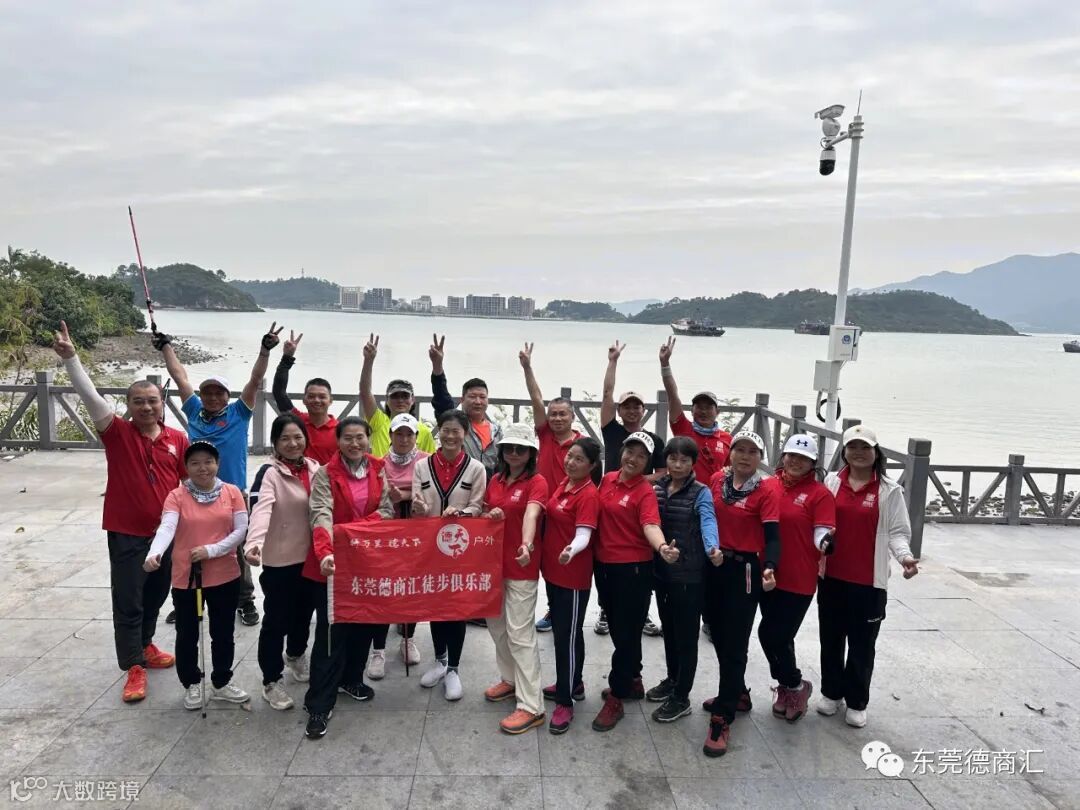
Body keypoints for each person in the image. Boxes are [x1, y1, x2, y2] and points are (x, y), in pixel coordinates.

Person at [51, 321, 185, 703]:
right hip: (126, 532)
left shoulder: (177, 439)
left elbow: (186, 486)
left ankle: (146, 644)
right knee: (128, 599)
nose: (146, 406)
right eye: (138, 401)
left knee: (156, 594)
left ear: (162, 404)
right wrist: (71, 359)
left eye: (152, 400)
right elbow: (90, 395)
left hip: (165, 534)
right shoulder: (117, 433)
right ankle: (133, 666)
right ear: (129, 406)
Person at [155, 321, 283, 626]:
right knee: (188, 543)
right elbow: (180, 376)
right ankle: (187, 596)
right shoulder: (194, 410)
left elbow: (255, 379)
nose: (212, 397)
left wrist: (265, 350)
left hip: (232, 492)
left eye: (219, 392)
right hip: (193, 492)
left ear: (227, 396)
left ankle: (245, 600)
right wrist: (166, 346)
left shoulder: (239, 412)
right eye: (208, 392)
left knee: (236, 547)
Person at [819, 424, 919, 729]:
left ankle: (857, 701)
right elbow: (819, 523)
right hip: (831, 577)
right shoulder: (831, 481)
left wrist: (904, 557)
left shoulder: (889, 490)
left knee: (862, 644)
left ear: (876, 453)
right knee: (831, 639)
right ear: (844, 451)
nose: (859, 453)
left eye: (865, 447)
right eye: (853, 447)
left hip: (868, 582)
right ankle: (831, 692)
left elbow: (898, 532)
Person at [303, 416, 394, 739]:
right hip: (332, 563)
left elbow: (387, 510)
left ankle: (350, 679)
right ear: (338, 441)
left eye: (360, 437)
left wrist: (354, 530)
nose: (355, 443)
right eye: (348, 438)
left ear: (369, 439)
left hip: (367, 562)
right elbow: (320, 514)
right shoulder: (325, 474)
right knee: (331, 634)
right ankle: (319, 703)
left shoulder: (378, 468)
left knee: (363, 625)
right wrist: (326, 551)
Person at [143, 441, 251, 710]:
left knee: (223, 632)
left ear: (217, 464)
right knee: (187, 633)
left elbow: (240, 530)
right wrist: (155, 553)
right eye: (195, 463)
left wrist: (211, 550)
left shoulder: (232, 492)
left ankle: (222, 681)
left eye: (208, 462)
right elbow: (167, 527)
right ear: (186, 467)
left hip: (225, 574)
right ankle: (191, 682)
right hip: (187, 576)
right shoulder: (177, 496)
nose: (203, 468)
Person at [591, 432, 680, 733]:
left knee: (627, 634)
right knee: (619, 629)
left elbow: (650, 524)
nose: (633, 459)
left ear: (649, 463)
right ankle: (633, 679)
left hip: (633, 570)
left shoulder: (645, 492)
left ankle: (616, 696)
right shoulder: (608, 480)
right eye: (630, 451)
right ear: (622, 452)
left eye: (642, 456)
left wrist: (662, 547)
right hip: (604, 567)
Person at [702, 430, 780, 758]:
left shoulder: (767, 488)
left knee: (735, 640)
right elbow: (706, 518)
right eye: (740, 450)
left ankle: (723, 716)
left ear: (760, 457)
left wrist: (770, 566)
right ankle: (737, 692)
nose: (745, 456)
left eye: (752, 451)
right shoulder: (717, 480)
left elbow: (772, 535)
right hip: (714, 564)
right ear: (730, 453)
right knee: (717, 633)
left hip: (746, 569)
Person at [244, 413, 321, 710]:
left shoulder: (315, 468)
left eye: (298, 437)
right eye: (285, 438)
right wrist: (254, 543)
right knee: (277, 621)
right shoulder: (269, 473)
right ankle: (271, 680)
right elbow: (260, 510)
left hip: (311, 558)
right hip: (280, 561)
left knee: (304, 614)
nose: (292, 443)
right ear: (275, 442)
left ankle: (296, 655)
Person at [757, 434, 836, 724]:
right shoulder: (767, 485)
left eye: (803, 458)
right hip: (767, 572)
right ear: (783, 456)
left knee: (771, 634)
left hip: (798, 577)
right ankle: (788, 687)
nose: (795, 461)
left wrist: (824, 542)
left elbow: (822, 530)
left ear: (813, 463)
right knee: (780, 637)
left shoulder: (819, 494)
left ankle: (795, 684)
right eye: (791, 455)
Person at [412, 409, 487, 700]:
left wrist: (462, 513)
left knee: (456, 608)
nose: (451, 436)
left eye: (457, 431)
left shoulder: (476, 468)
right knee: (435, 605)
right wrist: (418, 508)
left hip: (460, 549)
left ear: (465, 434)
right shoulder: (422, 466)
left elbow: (477, 506)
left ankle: (454, 668)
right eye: (446, 430)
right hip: (430, 548)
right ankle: (440, 660)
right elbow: (418, 504)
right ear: (438, 431)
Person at [646, 437, 721, 724]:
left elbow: (708, 521)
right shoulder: (658, 489)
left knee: (687, 637)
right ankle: (672, 678)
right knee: (670, 630)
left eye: (684, 460)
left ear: (693, 463)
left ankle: (682, 696)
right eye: (673, 459)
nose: (677, 465)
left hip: (690, 575)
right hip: (663, 573)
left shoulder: (701, 492)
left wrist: (712, 548)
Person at [481, 424, 549, 734]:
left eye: (521, 449)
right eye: (509, 448)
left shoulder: (537, 482)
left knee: (520, 634)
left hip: (521, 566)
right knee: (497, 627)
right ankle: (509, 679)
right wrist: (491, 516)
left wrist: (527, 544)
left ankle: (532, 706)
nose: (514, 453)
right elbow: (486, 514)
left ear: (531, 453)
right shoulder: (495, 480)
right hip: (492, 565)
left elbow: (532, 514)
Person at [597, 340, 666, 638]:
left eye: (637, 406)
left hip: (638, 502)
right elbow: (606, 393)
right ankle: (605, 609)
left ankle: (641, 611)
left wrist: (635, 482)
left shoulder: (653, 441)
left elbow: (662, 471)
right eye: (626, 406)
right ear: (620, 410)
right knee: (606, 552)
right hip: (609, 500)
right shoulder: (612, 430)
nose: (632, 410)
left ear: (643, 410)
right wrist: (613, 361)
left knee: (640, 552)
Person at [540, 438, 602, 734]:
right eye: (570, 456)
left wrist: (571, 550)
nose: (571, 462)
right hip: (554, 572)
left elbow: (584, 535)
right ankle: (573, 682)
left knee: (566, 637)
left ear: (592, 465)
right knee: (566, 632)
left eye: (579, 459)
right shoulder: (566, 484)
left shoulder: (588, 494)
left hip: (572, 576)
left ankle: (565, 702)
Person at [519, 342, 581, 634]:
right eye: (553, 413)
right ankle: (551, 609)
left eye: (562, 414)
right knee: (540, 559)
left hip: (568, 511)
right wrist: (527, 367)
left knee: (564, 562)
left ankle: (560, 611)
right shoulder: (544, 435)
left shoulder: (582, 446)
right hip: (542, 508)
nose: (556, 418)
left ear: (572, 417)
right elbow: (536, 398)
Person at [368, 412, 428, 677]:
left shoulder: (426, 462)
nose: (404, 439)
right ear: (390, 435)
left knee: (412, 589)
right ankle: (378, 649)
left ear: (416, 436)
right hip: (387, 536)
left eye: (409, 434)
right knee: (384, 590)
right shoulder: (379, 464)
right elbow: (373, 497)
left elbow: (430, 493)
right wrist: (392, 497)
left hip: (417, 536)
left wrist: (404, 495)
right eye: (399, 434)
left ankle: (407, 639)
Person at [658, 336, 732, 484]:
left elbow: (731, 470)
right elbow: (672, 395)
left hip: (714, 495)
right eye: (699, 407)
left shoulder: (727, 439)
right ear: (691, 411)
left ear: (717, 412)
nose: (703, 411)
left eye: (708, 407)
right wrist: (665, 364)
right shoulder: (683, 428)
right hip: (682, 493)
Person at [429, 334, 503, 476]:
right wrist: (437, 367)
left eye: (482, 397)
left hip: (488, 488)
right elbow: (442, 399)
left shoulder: (496, 431)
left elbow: (503, 465)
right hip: (458, 483)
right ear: (462, 399)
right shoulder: (456, 423)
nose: (478, 401)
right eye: (472, 397)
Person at [359, 332, 437, 458]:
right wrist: (368, 361)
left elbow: (430, 462)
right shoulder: (379, 422)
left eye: (405, 396)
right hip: (382, 470)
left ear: (413, 400)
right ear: (387, 400)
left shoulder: (424, 432)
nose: (400, 400)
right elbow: (365, 392)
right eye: (395, 396)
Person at [270, 330, 339, 464]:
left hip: (327, 478)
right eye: (311, 396)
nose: (316, 400)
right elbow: (279, 392)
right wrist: (287, 358)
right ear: (304, 400)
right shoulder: (296, 421)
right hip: (296, 476)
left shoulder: (340, 430)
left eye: (322, 397)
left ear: (330, 400)